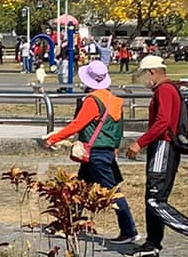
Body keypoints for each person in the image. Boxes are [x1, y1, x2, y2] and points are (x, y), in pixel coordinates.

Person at [122, 55, 188, 257]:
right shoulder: (167, 90)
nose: (143, 80)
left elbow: (162, 124)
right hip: (162, 146)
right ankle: (152, 244)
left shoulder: (165, 90)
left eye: (143, 75)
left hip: (164, 146)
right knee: (152, 198)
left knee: (155, 199)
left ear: (152, 72)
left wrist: (139, 143)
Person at [42, 60, 140, 244]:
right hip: (106, 150)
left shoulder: (93, 100)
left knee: (112, 192)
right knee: (81, 188)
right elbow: (119, 128)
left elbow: (77, 124)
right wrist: (115, 147)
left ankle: (129, 230)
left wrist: (53, 138)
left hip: (94, 152)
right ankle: (68, 225)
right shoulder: (113, 99)